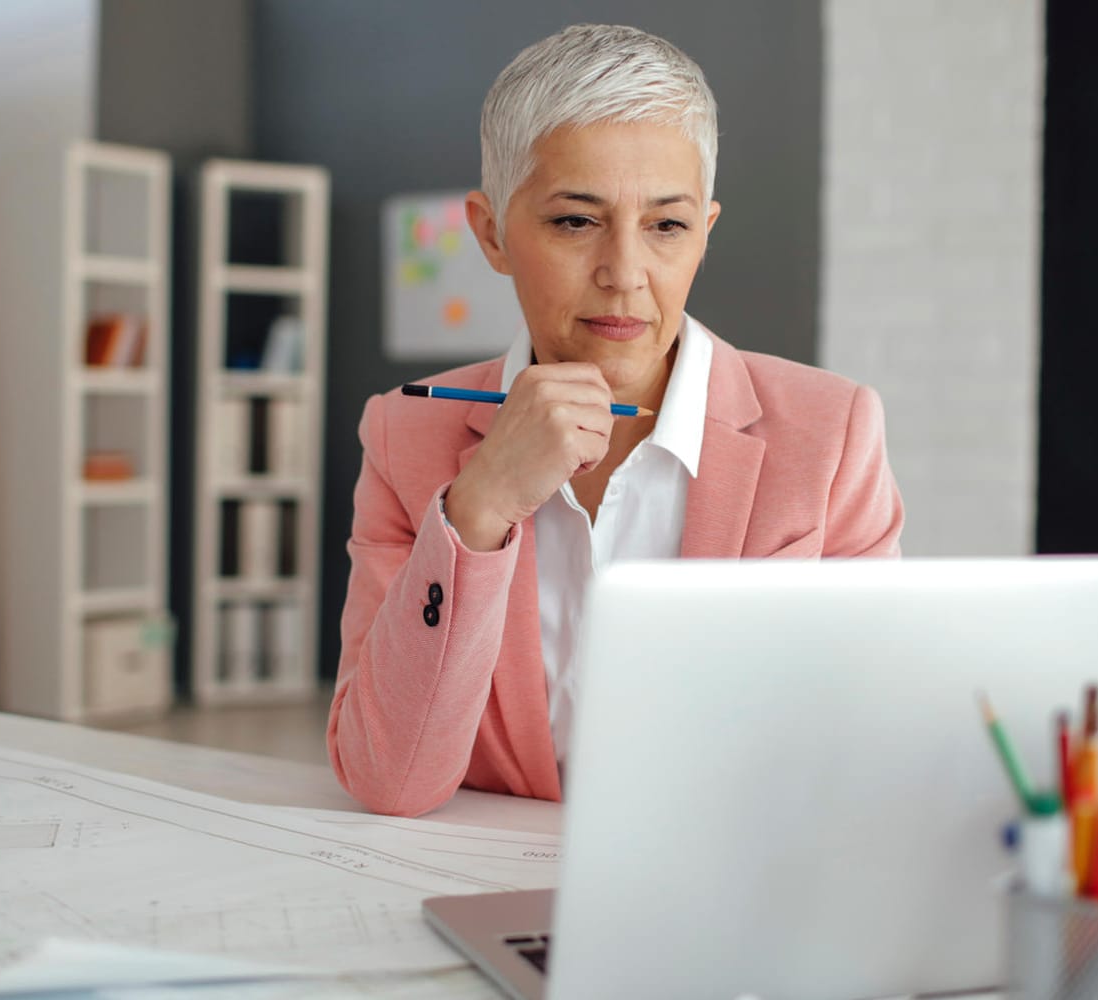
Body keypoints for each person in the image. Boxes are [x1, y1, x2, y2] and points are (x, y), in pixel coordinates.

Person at [328, 24, 904, 817]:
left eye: (665, 225)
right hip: (488, 889)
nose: (624, 275)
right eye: (575, 221)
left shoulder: (832, 433)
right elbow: (389, 780)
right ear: (492, 232)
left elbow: (872, 748)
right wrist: (479, 507)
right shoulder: (404, 437)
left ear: (704, 231)